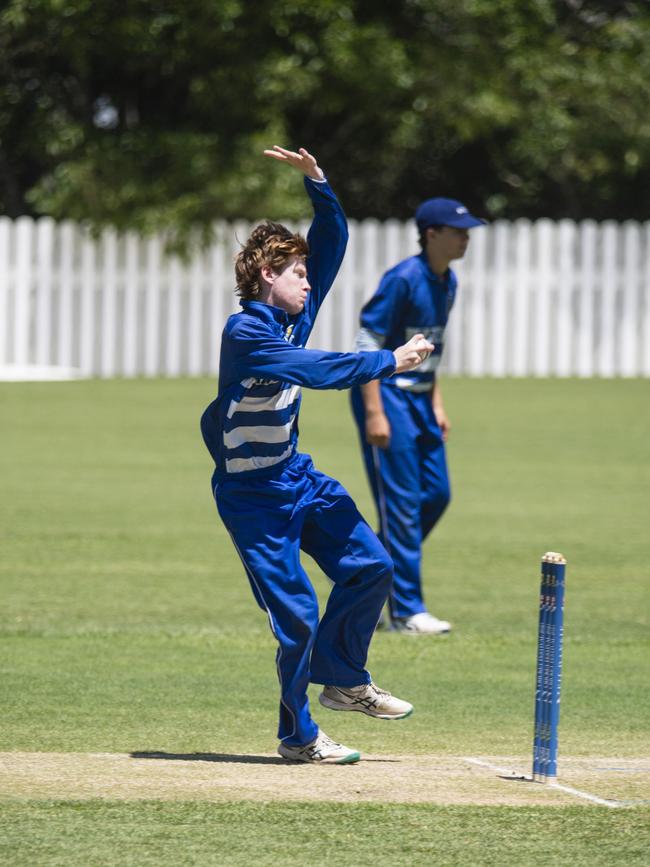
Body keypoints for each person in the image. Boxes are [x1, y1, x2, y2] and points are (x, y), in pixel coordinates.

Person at [200, 146, 434, 764]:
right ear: (266, 278)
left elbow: (331, 244)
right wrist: (391, 360)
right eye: (296, 273)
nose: (309, 281)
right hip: (253, 500)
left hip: (298, 479)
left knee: (372, 567)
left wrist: (320, 184)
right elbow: (322, 371)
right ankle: (298, 736)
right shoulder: (247, 332)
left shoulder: (289, 318)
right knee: (298, 615)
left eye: (305, 274)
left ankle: (345, 680)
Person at [350, 197, 486, 634]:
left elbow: (429, 351)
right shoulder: (403, 279)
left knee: (437, 494)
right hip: (386, 395)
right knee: (403, 506)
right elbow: (367, 344)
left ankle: (361, 575)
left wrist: (438, 403)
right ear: (431, 233)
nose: (465, 238)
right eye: (457, 231)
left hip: (421, 400)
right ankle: (406, 612)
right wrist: (373, 412)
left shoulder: (448, 281)